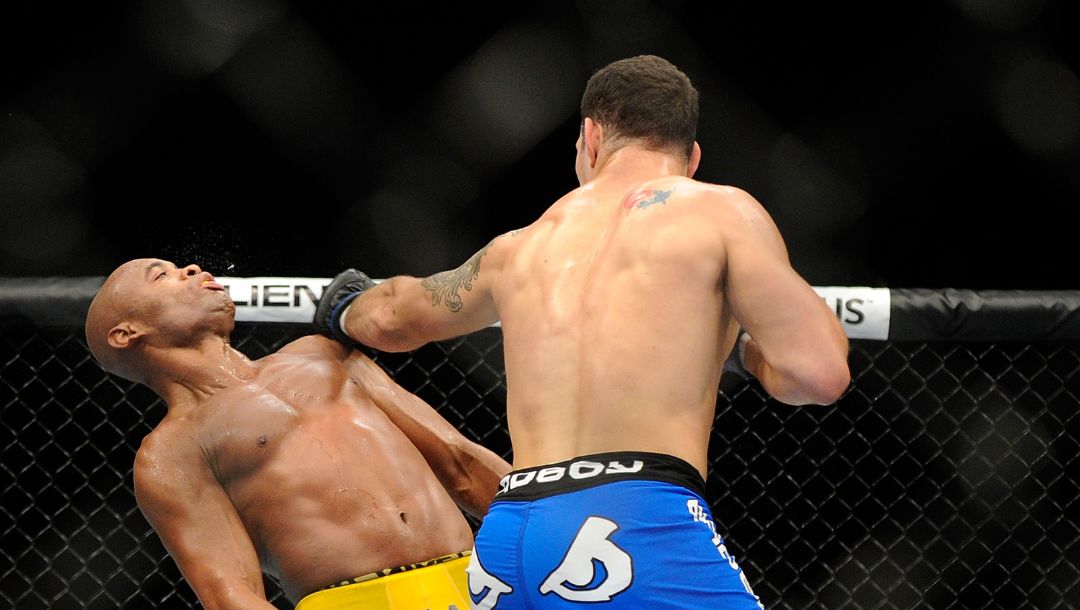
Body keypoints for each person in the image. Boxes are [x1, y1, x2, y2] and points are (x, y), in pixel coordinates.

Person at [314, 54, 851, 609]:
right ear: (691, 158)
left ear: (589, 139)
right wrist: (745, 354)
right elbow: (818, 374)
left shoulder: (518, 248)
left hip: (509, 540)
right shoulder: (718, 211)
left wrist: (343, 307)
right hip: (631, 525)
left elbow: (393, 317)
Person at [84, 258, 512, 610]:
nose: (192, 269)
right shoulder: (171, 452)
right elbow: (232, 594)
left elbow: (459, 461)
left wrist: (548, 526)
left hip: (479, 583)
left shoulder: (324, 354)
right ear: (126, 333)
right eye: (162, 275)